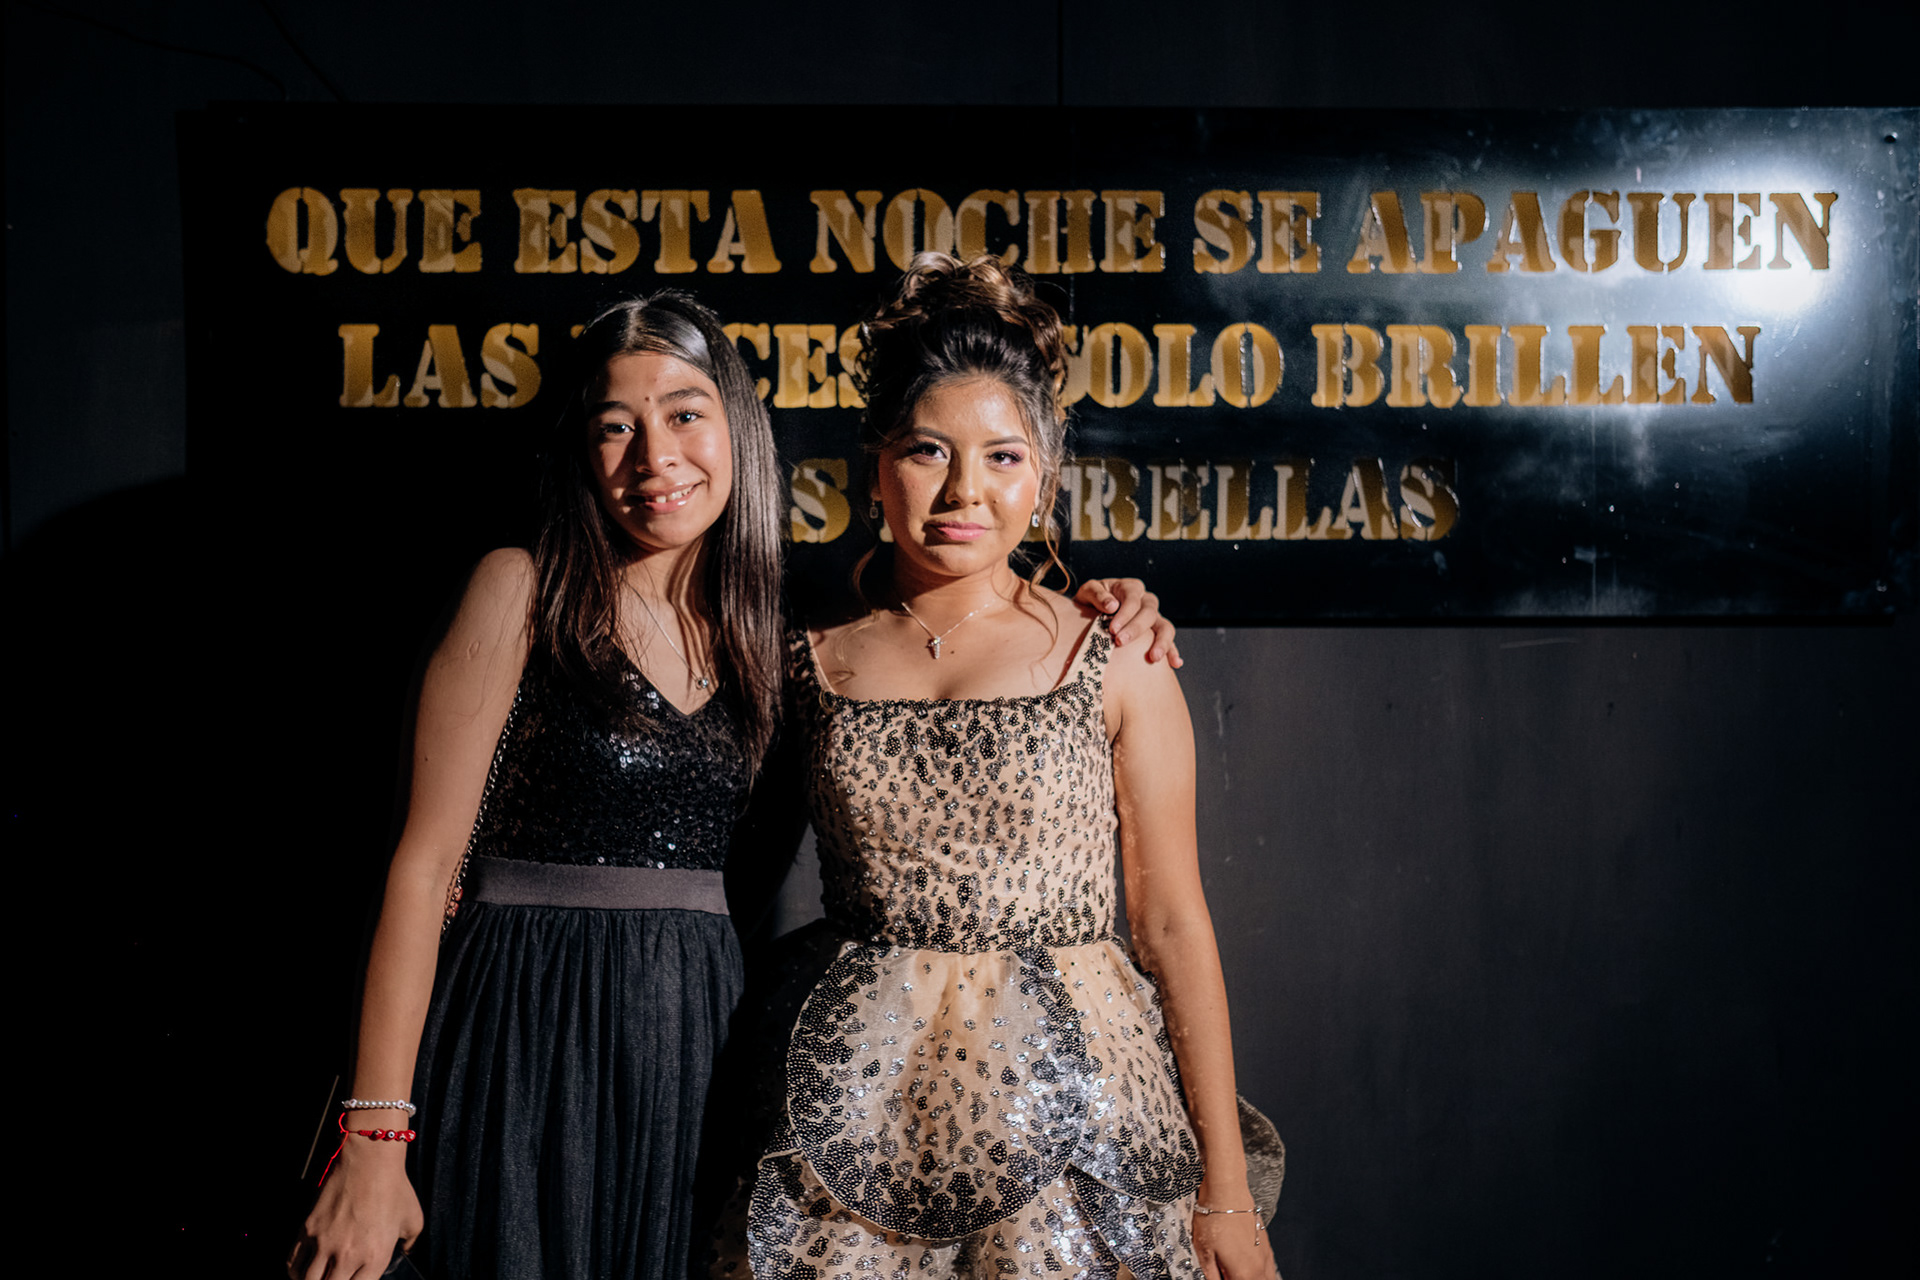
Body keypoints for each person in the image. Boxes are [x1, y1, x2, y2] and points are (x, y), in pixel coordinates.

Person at [292, 290, 1180, 1280]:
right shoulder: (522, 588)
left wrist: (1112, 599)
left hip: (693, 1045)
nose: (655, 458)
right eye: (614, 426)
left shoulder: (782, 630)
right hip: (521, 1023)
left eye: (684, 414)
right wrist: (373, 1138)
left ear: (738, 429)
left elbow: (955, 605)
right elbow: (421, 870)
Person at [714, 254, 1278, 1280]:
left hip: (1077, 1103)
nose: (964, 490)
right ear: (875, 466)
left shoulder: (1114, 652)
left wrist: (1225, 1188)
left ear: (1045, 476)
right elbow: (729, 878)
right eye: (927, 450)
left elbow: (1169, 922)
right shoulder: (809, 657)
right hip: (862, 1099)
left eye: (1003, 456)